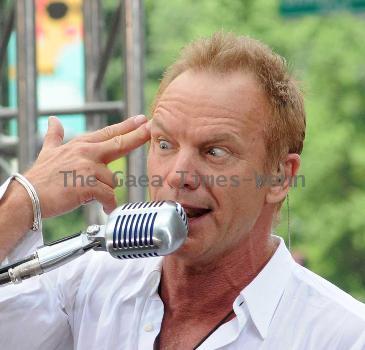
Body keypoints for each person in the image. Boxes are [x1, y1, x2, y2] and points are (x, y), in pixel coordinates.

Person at [0, 32, 364, 350]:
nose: (179, 174)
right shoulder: (84, 283)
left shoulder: (343, 336)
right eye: (164, 144)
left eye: (215, 151)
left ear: (281, 177)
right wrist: (22, 199)